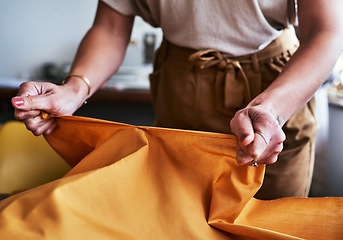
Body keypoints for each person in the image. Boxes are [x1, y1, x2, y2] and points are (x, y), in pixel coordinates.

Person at [11, 0, 343, 200]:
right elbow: (111, 26)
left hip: (278, 87)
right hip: (180, 87)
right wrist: (74, 89)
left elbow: (326, 30)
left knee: (268, 222)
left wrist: (271, 109)